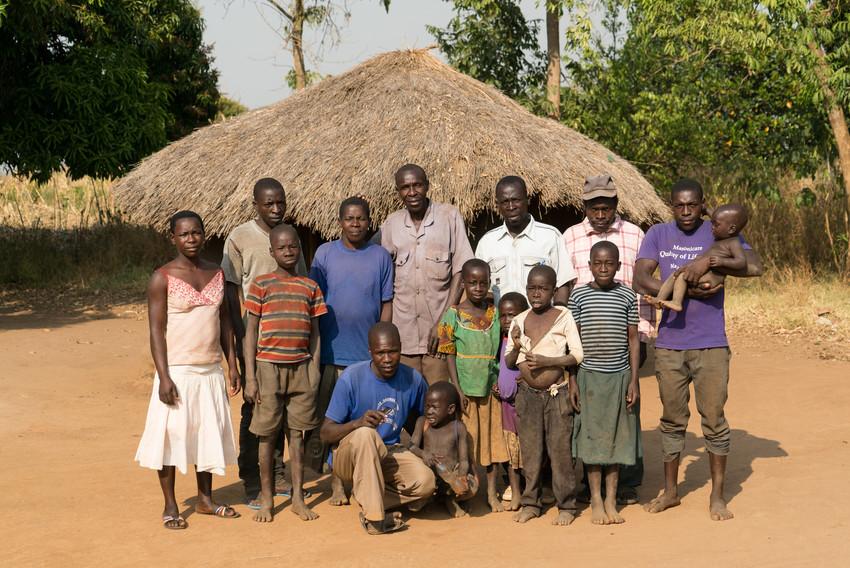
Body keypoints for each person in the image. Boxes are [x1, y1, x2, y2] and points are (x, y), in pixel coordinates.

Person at [634, 178, 763, 521]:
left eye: (693, 205)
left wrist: (710, 265)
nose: (687, 212)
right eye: (680, 205)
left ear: (703, 204)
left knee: (714, 420)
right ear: (671, 205)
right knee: (672, 420)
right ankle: (671, 492)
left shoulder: (719, 231)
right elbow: (639, 278)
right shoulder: (658, 234)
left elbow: (754, 266)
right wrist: (686, 290)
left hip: (711, 344)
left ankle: (717, 498)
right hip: (671, 344)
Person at [135, 211, 241, 529]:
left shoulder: (216, 273)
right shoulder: (162, 277)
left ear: (204, 234)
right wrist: (164, 376)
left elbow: (224, 322)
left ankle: (206, 499)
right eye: (184, 234)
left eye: (196, 233)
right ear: (173, 238)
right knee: (171, 435)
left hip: (209, 370)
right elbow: (156, 331)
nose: (191, 239)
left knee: (206, 434)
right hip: (178, 371)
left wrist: (231, 364)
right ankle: (170, 505)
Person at [562, 173, 650, 505]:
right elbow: (566, 287)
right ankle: (590, 488)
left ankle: (626, 483)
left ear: (615, 205)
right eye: (594, 208)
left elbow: (641, 282)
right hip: (587, 351)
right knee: (589, 416)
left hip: (627, 336)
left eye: (606, 207)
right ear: (585, 207)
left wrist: (645, 333)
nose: (600, 214)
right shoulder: (570, 237)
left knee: (626, 414)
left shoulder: (634, 234)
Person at [221, 177, 307, 507]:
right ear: (255, 204)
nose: (275, 208)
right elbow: (231, 291)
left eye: (280, 202)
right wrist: (240, 339)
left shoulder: (290, 236)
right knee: (254, 407)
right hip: (254, 338)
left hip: (287, 339)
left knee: (284, 407)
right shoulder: (240, 237)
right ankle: (253, 477)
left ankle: (279, 471)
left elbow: (300, 279)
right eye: (268, 203)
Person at [309, 196, 394, 505]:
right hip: (332, 353)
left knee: (362, 420)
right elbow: (313, 300)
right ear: (340, 221)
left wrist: (378, 345)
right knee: (334, 421)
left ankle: (363, 479)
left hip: (364, 356)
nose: (355, 224)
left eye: (361, 219)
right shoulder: (324, 254)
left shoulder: (380, 256)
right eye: (349, 218)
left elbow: (386, 303)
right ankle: (335, 481)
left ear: (370, 222)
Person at [243, 224, 327, 522]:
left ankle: (298, 498)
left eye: (293, 246)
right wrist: (250, 376)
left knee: (298, 436)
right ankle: (267, 500)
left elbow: (315, 333)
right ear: (272, 251)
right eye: (282, 247)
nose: (289, 251)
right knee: (266, 437)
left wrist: (314, 369)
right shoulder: (261, 285)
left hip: (302, 368)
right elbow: (250, 331)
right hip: (268, 369)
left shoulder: (310, 287)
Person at [320, 322, 435, 535]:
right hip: (349, 459)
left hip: (389, 451)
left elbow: (424, 415)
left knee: (426, 483)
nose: (388, 359)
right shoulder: (351, 378)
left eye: (393, 352)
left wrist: (415, 442)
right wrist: (357, 423)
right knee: (365, 434)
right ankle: (375, 519)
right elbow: (325, 433)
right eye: (381, 353)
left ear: (400, 348)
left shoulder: (413, 379)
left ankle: (366, 493)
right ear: (370, 352)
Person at [379, 163, 475, 384]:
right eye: (405, 187)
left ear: (427, 186)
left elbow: (461, 270)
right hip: (403, 335)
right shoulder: (391, 224)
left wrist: (443, 322)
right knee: (406, 402)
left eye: (417, 185)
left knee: (439, 399)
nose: (412, 192)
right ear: (398, 191)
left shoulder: (449, 217)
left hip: (439, 337)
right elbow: (383, 276)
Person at [568, 241, 641, 525]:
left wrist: (634, 380)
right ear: (588, 265)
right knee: (592, 441)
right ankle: (596, 499)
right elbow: (572, 344)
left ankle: (611, 499)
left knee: (615, 441)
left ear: (619, 266)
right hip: (588, 377)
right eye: (597, 263)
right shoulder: (578, 297)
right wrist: (573, 381)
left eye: (609, 263)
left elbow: (633, 339)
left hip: (620, 376)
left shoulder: (626, 295)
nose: (603, 268)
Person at [505, 265, 584, 526]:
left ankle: (567, 505)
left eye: (542, 288)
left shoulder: (563, 316)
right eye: (531, 288)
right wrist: (516, 345)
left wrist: (548, 360)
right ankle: (531, 502)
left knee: (560, 450)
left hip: (556, 394)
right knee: (531, 450)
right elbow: (508, 362)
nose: (536, 293)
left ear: (553, 290)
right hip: (527, 395)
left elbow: (576, 355)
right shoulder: (519, 320)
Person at [437, 259, 508, 513]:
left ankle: (491, 493)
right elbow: (449, 354)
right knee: (463, 443)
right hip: (464, 390)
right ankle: (455, 496)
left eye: (483, 283)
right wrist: (456, 387)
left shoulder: (494, 313)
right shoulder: (453, 315)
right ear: (464, 283)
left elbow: (501, 349)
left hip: (490, 390)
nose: (478, 288)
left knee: (491, 443)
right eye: (472, 283)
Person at [475, 175, 577, 304]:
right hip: (501, 322)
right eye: (505, 201)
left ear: (527, 200)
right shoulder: (487, 242)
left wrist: (557, 317)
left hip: (541, 322)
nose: (511, 206)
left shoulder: (550, 237)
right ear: (497, 205)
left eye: (516, 200)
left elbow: (563, 283)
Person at [645, 204, 749, 312]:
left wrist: (722, 261)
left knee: (682, 276)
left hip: (712, 278)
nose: (712, 227)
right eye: (712, 223)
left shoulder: (733, 242)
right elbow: (719, 218)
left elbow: (741, 262)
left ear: (731, 229)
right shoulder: (720, 238)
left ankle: (676, 302)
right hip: (704, 273)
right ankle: (659, 299)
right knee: (674, 275)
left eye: (716, 225)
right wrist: (706, 209)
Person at [409, 382, 478, 518]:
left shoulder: (458, 428)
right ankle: (428, 497)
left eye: (434, 407)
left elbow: (464, 460)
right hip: (430, 473)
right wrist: (424, 454)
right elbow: (411, 446)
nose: (429, 411)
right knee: (421, 482)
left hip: (450, 475)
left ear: (450, 409)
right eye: (427, 406)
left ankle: (449, 499)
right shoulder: (422, 422)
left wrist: (462, 478)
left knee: (472, 487)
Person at [491, 292, 529, 512]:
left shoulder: (526, 341)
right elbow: (498, 368)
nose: (506, 320)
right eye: (502, 315)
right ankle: (515, 491)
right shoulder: (499, 341)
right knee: (511, 454)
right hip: (506, 407)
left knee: (529, 452)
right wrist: (497, 386)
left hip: (525, 406)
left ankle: (531, 491)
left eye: (511, 315)